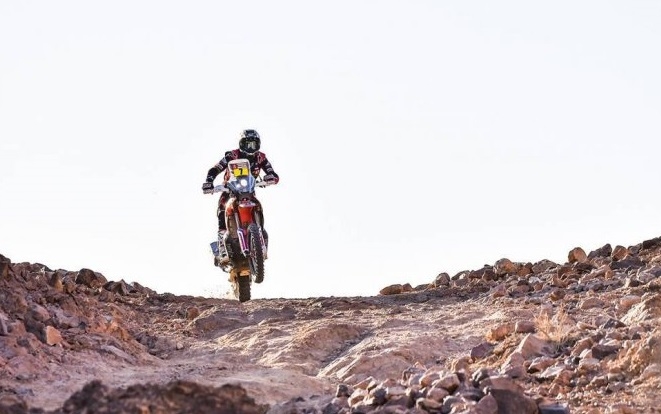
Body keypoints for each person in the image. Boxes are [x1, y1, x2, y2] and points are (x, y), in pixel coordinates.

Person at [202, 129, 280, 265]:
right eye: (247, 144)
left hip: (249, 192)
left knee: (258, 207)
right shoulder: (232, 155)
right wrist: (209, 181)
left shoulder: (261, 157)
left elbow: (272, 172)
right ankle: (222, 249)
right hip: (230, 191)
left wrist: (271, 177)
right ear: (241, 143)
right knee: (222, 211)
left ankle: (260, 242)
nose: (250, 147)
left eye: (254, 144)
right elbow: (216, 168)